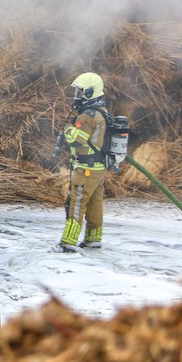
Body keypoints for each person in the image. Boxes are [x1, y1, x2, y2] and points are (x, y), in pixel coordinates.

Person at [57, 72, 110, 252]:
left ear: (89, 92)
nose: (78, 95)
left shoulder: (87, 116)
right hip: (98, 168)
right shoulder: (103, 112)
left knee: (77, 203)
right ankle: (93, 239)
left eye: (81, 91)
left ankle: (68, 242)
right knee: (95, 203)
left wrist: (67, 129)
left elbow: (77, 139)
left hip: (85, 168)